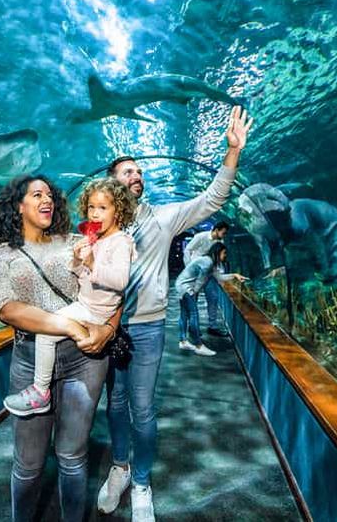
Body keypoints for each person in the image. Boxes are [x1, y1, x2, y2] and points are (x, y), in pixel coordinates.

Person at [98, 106, 253, 521]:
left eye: (138, 171)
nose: (136, 175)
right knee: (115, 405)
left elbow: (212, 198)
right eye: (127, 172)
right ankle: (120, 468)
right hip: (108, 328)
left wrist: (233, 152)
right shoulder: (101, 224)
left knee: (142, 408)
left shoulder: (163, 219)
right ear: (111, 184)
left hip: (147, 328)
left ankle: (142, 483)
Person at [0, 174, 120, 522]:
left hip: (84, 359)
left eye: (49, 194)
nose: (46, 199)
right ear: (18, 205)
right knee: (28, 464)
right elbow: (6, 308)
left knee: (73, 457)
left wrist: (108, 328)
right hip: (30, 359)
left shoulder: (74, 241)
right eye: (36, 194)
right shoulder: (2, 253)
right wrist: (65, 324)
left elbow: (113, 290)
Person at [3, 177, 137, 416]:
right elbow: (82, 274)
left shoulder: (121, 242)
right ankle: (42, 390)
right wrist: (77, 260)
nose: (94, 214)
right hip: (85, 305)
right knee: (49, 325)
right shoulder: (97, 239)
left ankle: (40, 391)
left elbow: (120, 282)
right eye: (91, 207)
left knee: (46, 331)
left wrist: (92, 262)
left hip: (96, 311)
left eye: (102, 208)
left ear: (118, 211)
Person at [177, 242, 246, 356]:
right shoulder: (207, 262)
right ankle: (199, 346)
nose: (225, 256)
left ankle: (183, 341)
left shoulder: (210, 263)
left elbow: (219, 277)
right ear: (218, 252)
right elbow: (201, 280)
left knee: (184, 314)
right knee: (194, 314)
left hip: (181, 285)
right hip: (187, 287)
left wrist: (234, 275)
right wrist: (194, 292)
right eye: (224, 253)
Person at [183, 220, 231, 336]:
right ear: (216, 230)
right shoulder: (200, 237)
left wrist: (220, 274)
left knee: (213, 298)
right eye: (223, 233)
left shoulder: (220, 242)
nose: (224, 235)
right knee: (193, 299)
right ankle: (192, 326)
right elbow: (188, 250)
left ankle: (212, 326)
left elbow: (218, 258)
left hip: (209, 273)